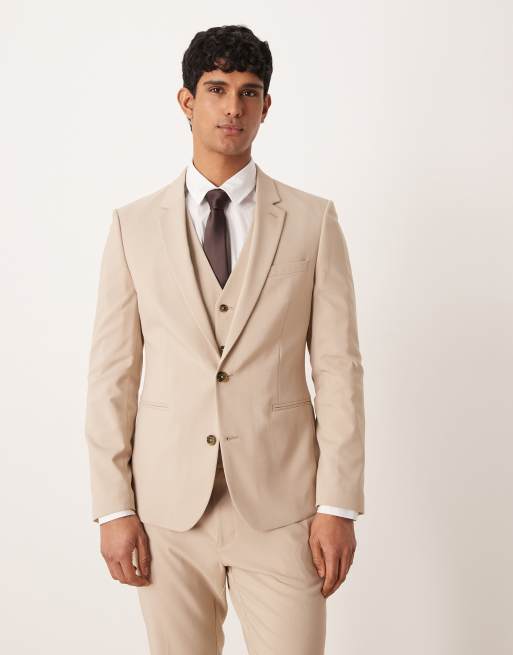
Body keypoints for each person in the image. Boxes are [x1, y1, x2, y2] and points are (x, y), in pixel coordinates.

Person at [84, 23, 365, 655]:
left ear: (266, 106)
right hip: (167, 511)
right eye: (216, 89)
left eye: (248, 91)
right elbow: (112, 376)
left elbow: (339, 370)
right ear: (187, 102)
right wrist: (113, 507)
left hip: (284, 506)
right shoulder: (133, 227)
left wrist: (339, 504)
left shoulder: (313, 221)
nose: (233, 107)